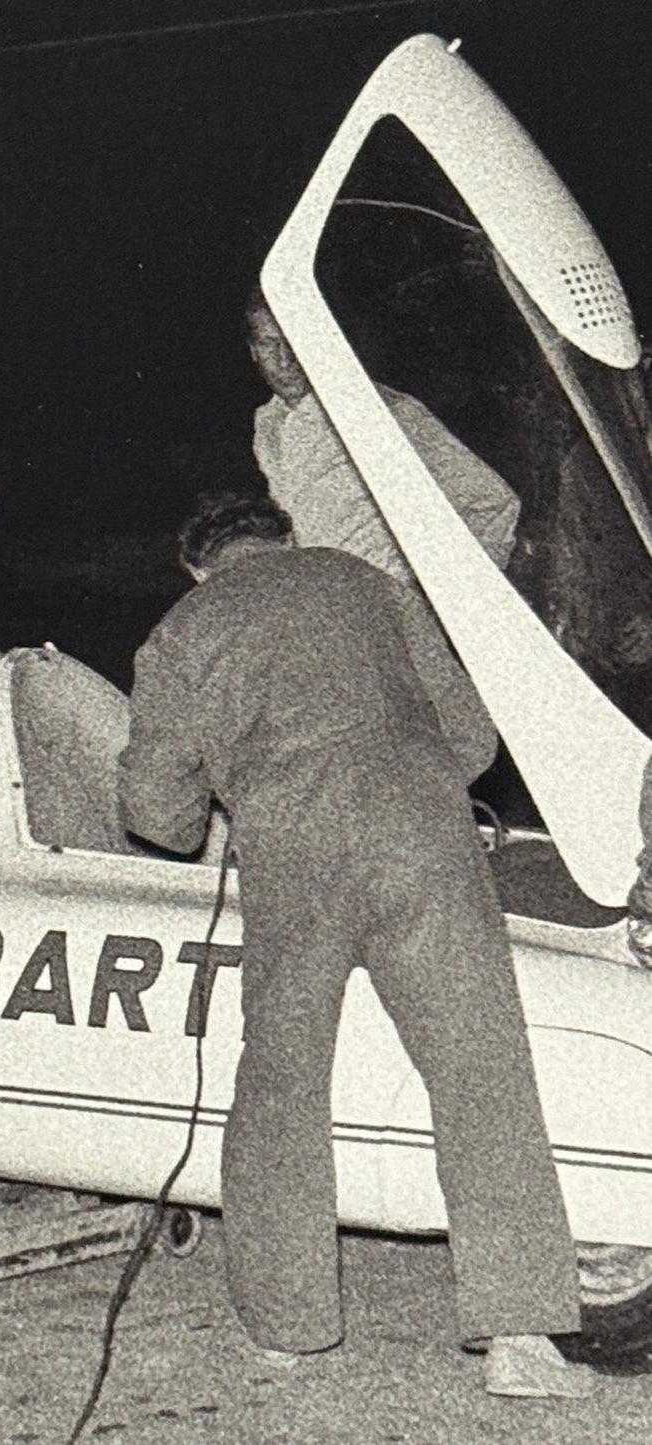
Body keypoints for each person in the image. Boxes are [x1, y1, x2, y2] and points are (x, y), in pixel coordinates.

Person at [116, 492, 589, 1399]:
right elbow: (469, 735)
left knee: (281, 1079)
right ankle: (520, 1332)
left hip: (292, 851)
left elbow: (158, 814)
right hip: (420, 836)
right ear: (287, 536)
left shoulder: (182, 626)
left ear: (197, 566)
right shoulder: (366, 581)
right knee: (479, 1063)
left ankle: (288, 1327)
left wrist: (216, 797)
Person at [246, 292, 520, 588]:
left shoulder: (380, 408)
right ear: (253, 350)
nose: (284, 359)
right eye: (269, 344)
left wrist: (454, 592)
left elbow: (494, 503)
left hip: (401, 603)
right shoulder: (267, 426)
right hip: (339, 605)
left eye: (292, 340)